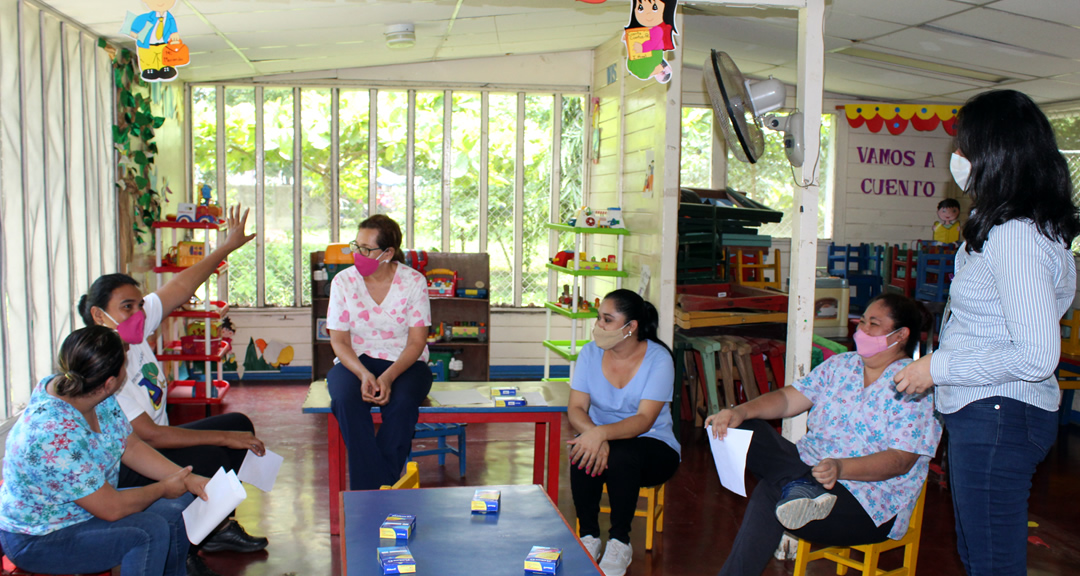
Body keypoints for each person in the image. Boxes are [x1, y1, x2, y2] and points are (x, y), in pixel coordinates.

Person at [894, 89, 1080, 576]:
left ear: (995, 152)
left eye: (964, 145)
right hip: (990, 410)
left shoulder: (1017, 234)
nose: (957, 157)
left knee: (992, 562)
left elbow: (1038, 355)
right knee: (981, 554)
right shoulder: (1013, 226)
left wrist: (939, 366)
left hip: (1000, 412)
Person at [79, 205, 267, 576]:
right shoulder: (103, 363)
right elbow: (149, 436)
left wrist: (225, 247)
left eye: (139, 304)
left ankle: (213, 529)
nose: (138, 313)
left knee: (237, 424)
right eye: (126, 307)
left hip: (148, 445)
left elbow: (180, 287)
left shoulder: (133, 328)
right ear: (100, 316)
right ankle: (186, 544)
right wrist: (226, 438)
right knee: (217, 449)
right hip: (130, 463)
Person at [709, 294, 941, 576]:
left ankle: (798, 486)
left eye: (874, 324)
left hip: (867, 504)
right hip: (810, 471)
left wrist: (841, 467)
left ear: (901, 335)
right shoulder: (842, 366)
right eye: (863, 321)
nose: (862, 330)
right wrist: (741, 411)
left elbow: (900, 461)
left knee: (772, 490)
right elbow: (787, 399)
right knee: (743, 427)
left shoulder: (913, 384)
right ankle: (800, 486)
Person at [0, 326, 209, 576]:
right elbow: (112, 509)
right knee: (147, 531)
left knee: (178, 504)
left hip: (81, 508)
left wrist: (186, 479)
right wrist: (164, 487)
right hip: (39, 536)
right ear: (111, 382)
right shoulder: (52, 433)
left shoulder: (89, 390)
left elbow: (130, 445)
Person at [568, 289, 680, 576]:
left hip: (654, 446)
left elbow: (644, 420)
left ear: (630, 327)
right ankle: (589, 536)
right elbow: (576, 408)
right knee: (581, 449)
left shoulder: (659, 359)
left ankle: (620, 541)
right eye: (598, 318)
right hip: (602, 439)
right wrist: (595, 435)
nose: (598, 326)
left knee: (622, 454)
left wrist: (600, 435)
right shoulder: (590, 354)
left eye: (607, 319)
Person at [326, 214, 433, 490]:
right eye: (356, 245)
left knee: (403, 403)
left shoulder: (413, 282)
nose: (357, 253)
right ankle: (381, 489)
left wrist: (387, 377)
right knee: (344, 401)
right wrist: (363, 373)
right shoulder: (343, 282)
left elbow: (416, 342)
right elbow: (339, 340)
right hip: (355, 361)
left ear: (388, 253)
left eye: (366, 249)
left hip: (404, 363)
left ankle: (369, 491)